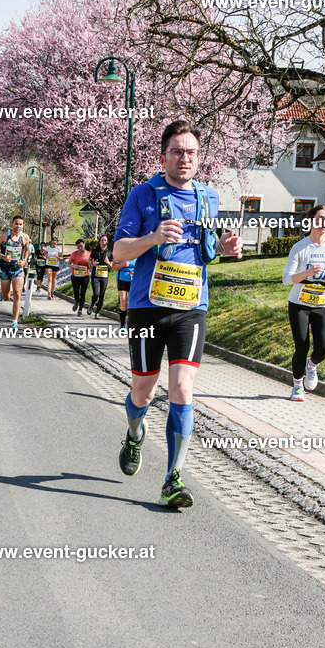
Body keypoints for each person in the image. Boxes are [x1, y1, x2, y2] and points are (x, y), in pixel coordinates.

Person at [113, 120, 242, 508]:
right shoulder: (142, 195)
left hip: (190, 308)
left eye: (191, 152)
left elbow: (207, 247)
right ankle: (135, 434)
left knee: (183, 389)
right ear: (162, 156)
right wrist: (153, 238)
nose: (184, 158)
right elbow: (118, 253)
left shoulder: (210, 198)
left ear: (198, 159)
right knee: (144, 391)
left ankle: (173, 477)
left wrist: (226, 246)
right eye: (177, 151)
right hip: (147, 308)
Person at [282, 205, 325, 401]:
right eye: (320, 218)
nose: (324, 223)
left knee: (323, 348)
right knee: (302, 346)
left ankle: (312, 365)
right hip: (299, 303)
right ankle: (297, 386)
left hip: (323, 303)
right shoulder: (300, 247)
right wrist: (307, 273)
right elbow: (286, 279)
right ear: (311, 221)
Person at [0, 215, 31, 329]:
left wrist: (24, 260)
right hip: (5, 268)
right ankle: (2, 292)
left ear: (23, 225)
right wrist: (2, 256)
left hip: (17, 269)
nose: (18, 226)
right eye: (16, 223)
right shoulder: (5, 236)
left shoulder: (25, 237)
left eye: (20, 224)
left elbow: (27, 250)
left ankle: (15, 321)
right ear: (12, 223)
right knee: (6, 297)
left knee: (17, 294)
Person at [88, 234, 113, 318]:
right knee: (96, 293)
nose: (103, 242)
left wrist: (108, 263)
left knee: (102, 294)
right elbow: (89, 260)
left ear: (107, 242)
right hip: (95, 276)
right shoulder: (95, 250)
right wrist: (92, 263)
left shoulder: (109, 253)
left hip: (104, 276)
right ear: (99, 241)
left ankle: (97, 312)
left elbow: (112, 267)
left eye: (105, 240)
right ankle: (92, 304)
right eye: (102, 240)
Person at [67, 239, 91, 316]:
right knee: (76, 291)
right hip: (75, 276)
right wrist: (73, 266)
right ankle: (76, 302)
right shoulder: (74, 254)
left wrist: (92, 265)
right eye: (78, 247)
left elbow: (91, 264)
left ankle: (80, 310)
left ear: (84, 244)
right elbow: (69, 264)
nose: (80, 248)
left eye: (81, 246)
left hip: (85, 276)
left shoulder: (89, 254)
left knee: (83, 293)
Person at [113, 256, 136, 334]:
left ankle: (130, 323)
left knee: (132, 303)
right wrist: (123, 264)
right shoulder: (122, 252)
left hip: (134, 279)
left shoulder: (138, 252)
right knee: (123, 304)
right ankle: (122, 326)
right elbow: (113, 267)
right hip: (122, 278)